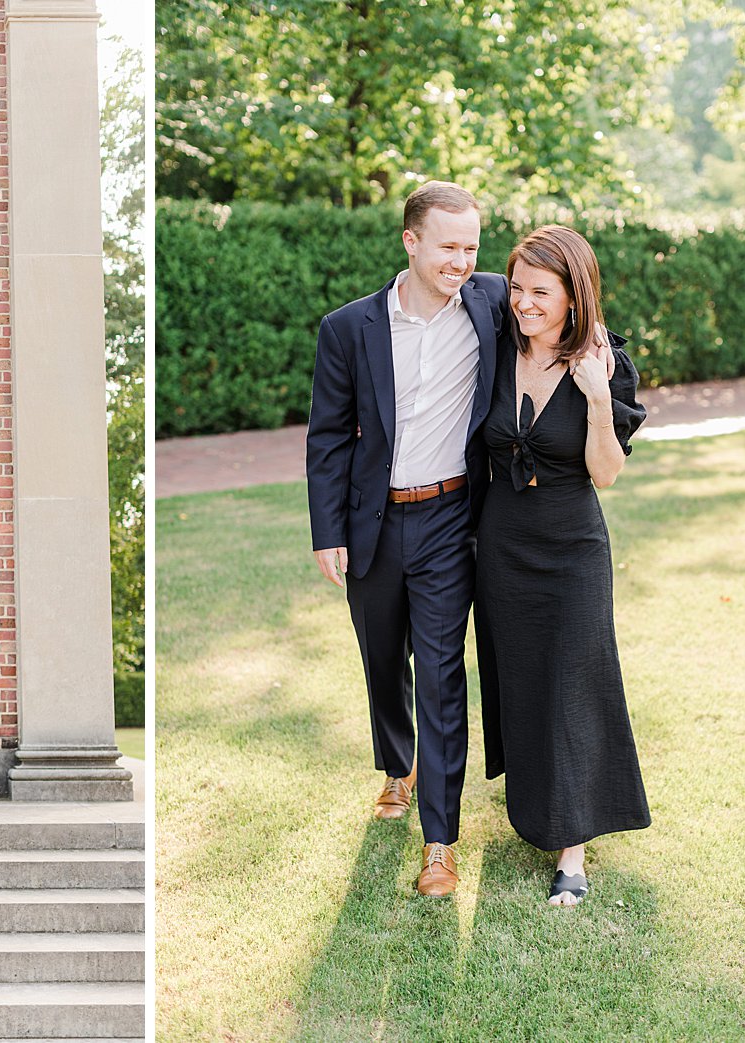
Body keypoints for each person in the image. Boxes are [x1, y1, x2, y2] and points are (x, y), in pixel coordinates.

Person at [306, 181, 506, 897]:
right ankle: (398, 764)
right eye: (448, 245)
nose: (462, 260)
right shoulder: (349, 328)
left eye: (471, 246)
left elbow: (559, 306)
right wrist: (328, 530)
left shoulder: (492, 303)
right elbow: (328, 436)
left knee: (443, 674)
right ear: (410, 241)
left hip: (453, 518)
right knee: (382, 654)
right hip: (374, 522)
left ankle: (440, 841)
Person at [475, 225, 651, 906]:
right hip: (502, 549)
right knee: (522, 679)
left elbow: (606, 474)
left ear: (573, 297)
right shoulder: (495, 347)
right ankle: (534, 810)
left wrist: (599, 396)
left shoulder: (605, 364)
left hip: (573, 549)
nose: (523, 301)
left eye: (540, 291)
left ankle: (572, 855)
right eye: (517, 287)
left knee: (574, 682)